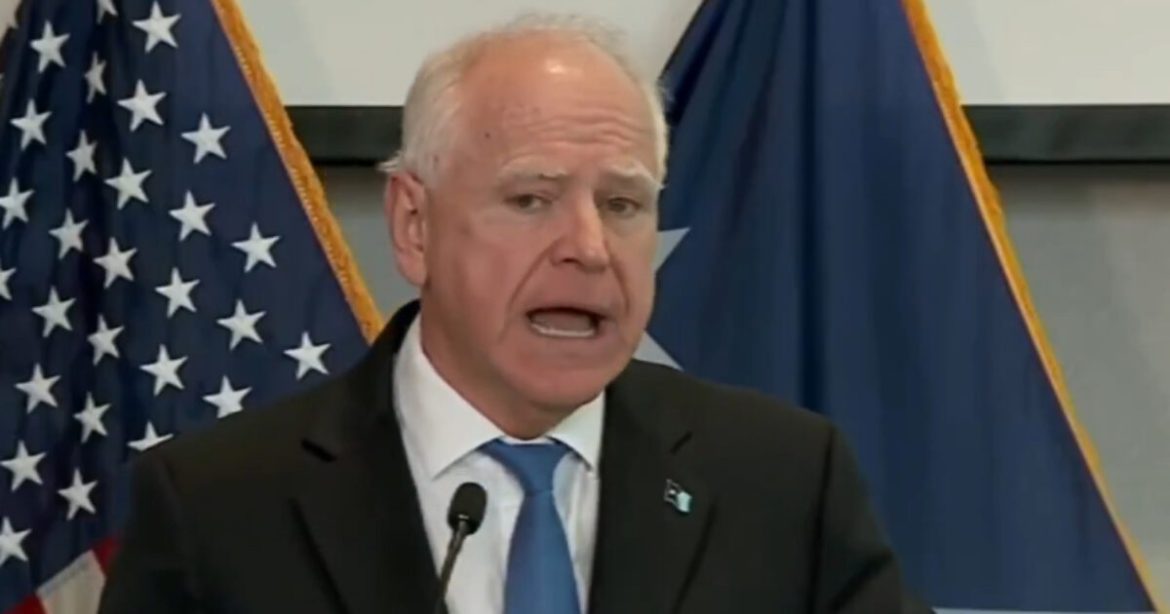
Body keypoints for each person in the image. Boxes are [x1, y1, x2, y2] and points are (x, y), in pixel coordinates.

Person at [98, 13, 931, 614]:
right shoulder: (218, 507)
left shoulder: (784, 480)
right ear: (414, 225)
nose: (589, 248)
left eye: (622, 204)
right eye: (531, 199)